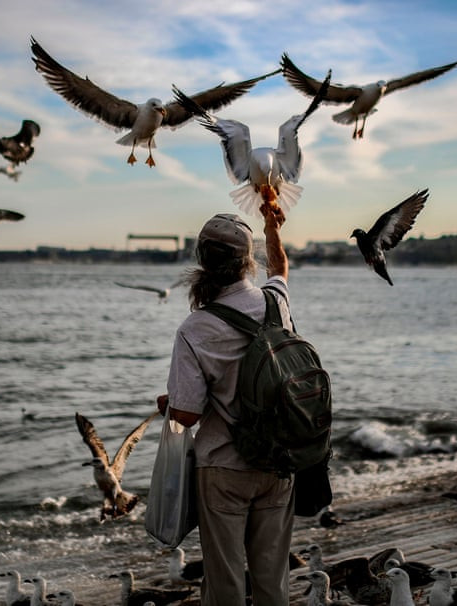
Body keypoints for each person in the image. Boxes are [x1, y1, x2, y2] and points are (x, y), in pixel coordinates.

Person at [156, 204, 292, 606]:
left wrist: (169, 404)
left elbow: (187, 415)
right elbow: (281, 267)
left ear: (200, 258)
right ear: (248, 262)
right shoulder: (275, 304)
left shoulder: (195, 327)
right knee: (273, 579)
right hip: (278, 462)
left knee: (225, 584)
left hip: (224, 468)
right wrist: (272, 226)